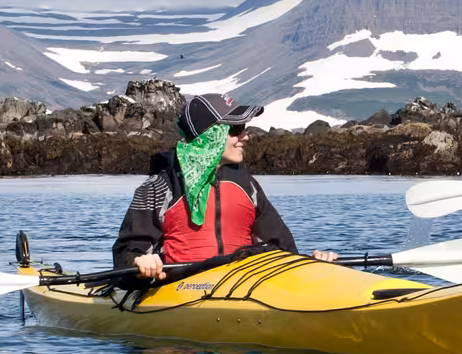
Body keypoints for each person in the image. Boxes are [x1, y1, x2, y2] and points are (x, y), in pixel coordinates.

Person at [114, 93, 336, 282]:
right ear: (210, 136)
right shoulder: (159, 187)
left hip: (246, 283)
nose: (245, 136)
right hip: (179, 288)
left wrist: (310, 263)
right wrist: (140, 262)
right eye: (236, 129)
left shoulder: (248, 185)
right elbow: (125, 254)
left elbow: (283, 249)